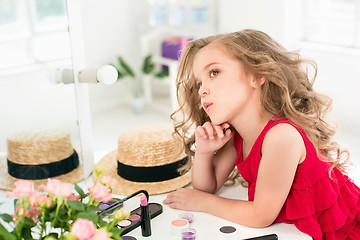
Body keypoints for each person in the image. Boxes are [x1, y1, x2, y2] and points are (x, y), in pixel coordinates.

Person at [163, 29, 360, 239]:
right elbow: (206, 188)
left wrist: (203, 203)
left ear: (256, 76)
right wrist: (204, 152)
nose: (202, 90)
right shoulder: (237, 134)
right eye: (199, 83)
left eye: (214, 72)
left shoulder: (281, 136)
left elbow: (260, 216)